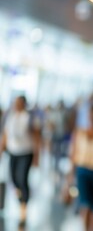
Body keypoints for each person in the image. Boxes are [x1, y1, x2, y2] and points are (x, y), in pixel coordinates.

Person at [0, 95, 41, 224]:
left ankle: (23, 207)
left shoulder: (29, 117)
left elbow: (36, 137)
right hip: (13, 152)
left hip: (26, 152)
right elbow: (5, 135)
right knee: (14, 178)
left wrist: (36, 156)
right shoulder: (10, 116)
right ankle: (20, 198)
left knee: (22, 178)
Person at [69, 104, 93, 231]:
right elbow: (74, 155)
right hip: (83, 172)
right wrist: (70, 176)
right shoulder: (80, 133)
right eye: (89, 116)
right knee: (85, 204)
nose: (91, 118)